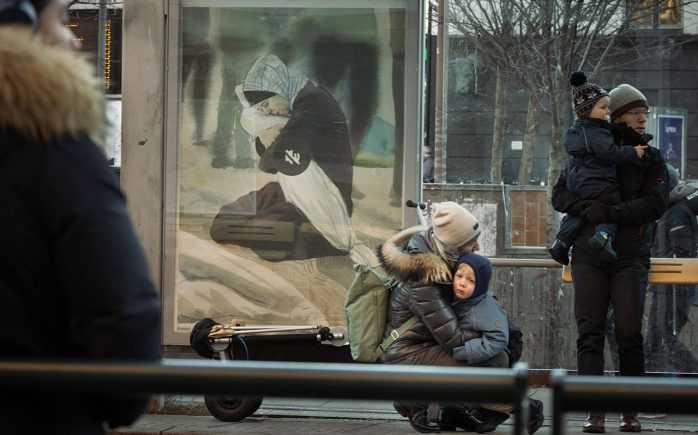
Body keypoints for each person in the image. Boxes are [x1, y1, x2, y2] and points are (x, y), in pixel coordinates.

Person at [0, 1, 162, 433]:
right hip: (36, 414)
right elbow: (122, 315)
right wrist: (114, 402)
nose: (73, 39)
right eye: (60, 20)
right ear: (18, 24)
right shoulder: (53, 150)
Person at [552, 83, 669, 433]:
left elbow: (656, 204)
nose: (643, 118)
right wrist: (591, 208)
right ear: (615, 116)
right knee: (590, 332)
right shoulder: (588, 150)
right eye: (635, 112)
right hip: (588, 253)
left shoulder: (649, 156)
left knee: (629, 332)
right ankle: (595, 410)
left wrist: (611, 213)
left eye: (645, 112)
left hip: (631, 255)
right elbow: (559, 196)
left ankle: (630, 410)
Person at [377, 202, 544, 434]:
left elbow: (478, 307)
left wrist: (506, 333)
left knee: (500, 347)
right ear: (452, 246)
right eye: (470, 243)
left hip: (425, 343)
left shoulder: (446, 263)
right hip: (404, 353)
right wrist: (493, 338)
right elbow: (453, 340)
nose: (477, 247)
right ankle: (520, 407)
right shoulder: (424, 279)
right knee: (492, 359)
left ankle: (451, 410)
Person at [209, 54, 370, 263]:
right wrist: (266, 134)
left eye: (267, 103)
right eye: (262, 109)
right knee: (223, 221)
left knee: (264, 233)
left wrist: (267, 135)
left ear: (279, 89)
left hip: (325, 212)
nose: (268, 111)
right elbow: (271, 155)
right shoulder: (294, 104)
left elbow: (271, 160)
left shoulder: (312, 101)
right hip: (294, 195)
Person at [548, 71, 647, 265]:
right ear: (587, 110)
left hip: (577, 179)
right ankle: (603, 236)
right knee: (608, 205)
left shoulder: (576, 132)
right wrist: (632, 152)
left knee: (576, 214)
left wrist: (583, 205)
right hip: (596, 181)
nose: (608, 112)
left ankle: (561, 241)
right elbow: (609, 153)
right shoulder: (597, 132)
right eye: (603, 108)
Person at [645, 184, 698, 373]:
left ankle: (691, 372)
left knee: (661, 336)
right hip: (671, 286)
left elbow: (680, 250)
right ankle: (649, 374)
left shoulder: (676, 214)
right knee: (658, 337)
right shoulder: (680, 213)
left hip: (671, 287)